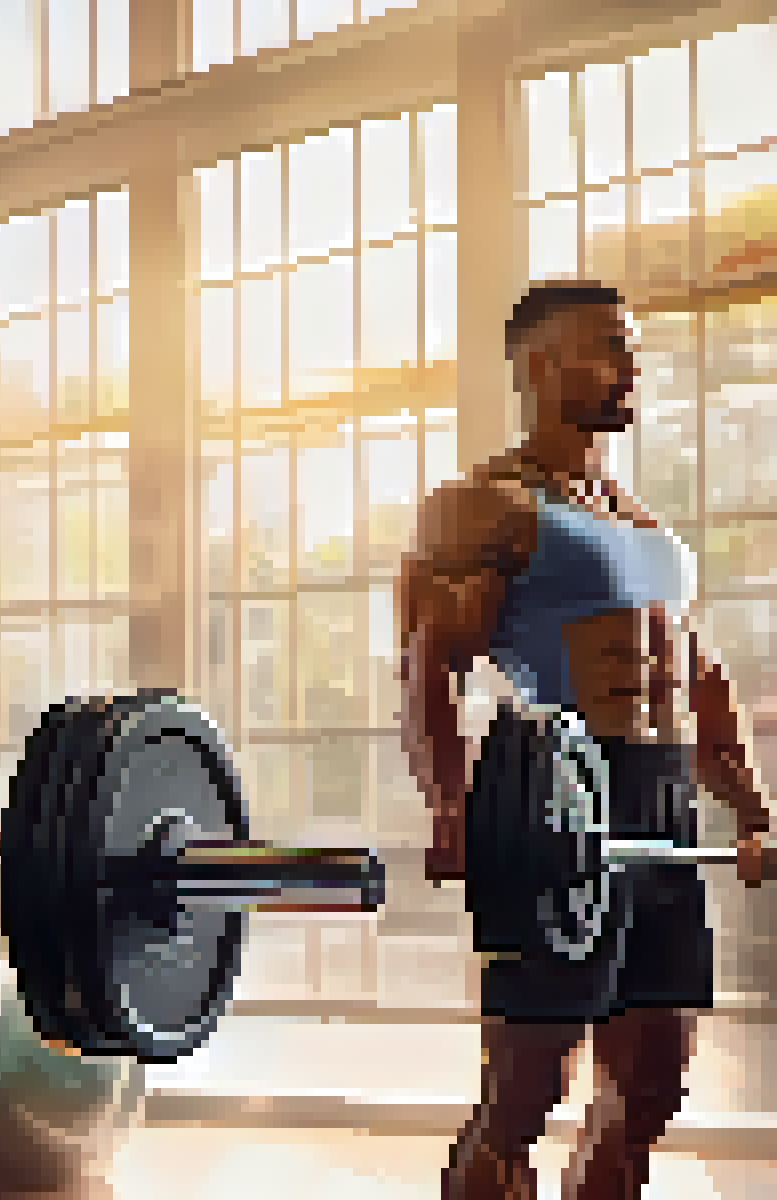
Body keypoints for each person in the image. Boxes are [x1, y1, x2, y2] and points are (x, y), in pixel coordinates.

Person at [400, 280, 772, 1200]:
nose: (629, 365)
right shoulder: (485, 505)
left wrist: (753, 810)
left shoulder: (645, 526)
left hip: (665, 805)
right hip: (560, 792)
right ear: (537, 364)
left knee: (650, 1081)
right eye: (607, 346)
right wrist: (449, 804)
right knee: (525, 1090)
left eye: (631, 347)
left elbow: (703, 682)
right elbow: (429, 666)